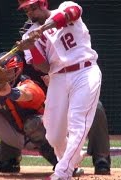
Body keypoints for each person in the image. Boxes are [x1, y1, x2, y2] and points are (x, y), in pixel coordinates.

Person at [17, 0, 103, 179]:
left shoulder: (64, 7)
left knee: (77, 122)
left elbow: (72, 12)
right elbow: (43, 67)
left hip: (84, 71)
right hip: (58, 77)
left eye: (33, 7)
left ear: (43, 4)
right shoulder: (29, 35)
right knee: (53, 135)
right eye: (26, 10)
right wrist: (32, 46)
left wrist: (44, 28)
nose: (31, 13)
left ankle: (62, 172)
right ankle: (71, 158)